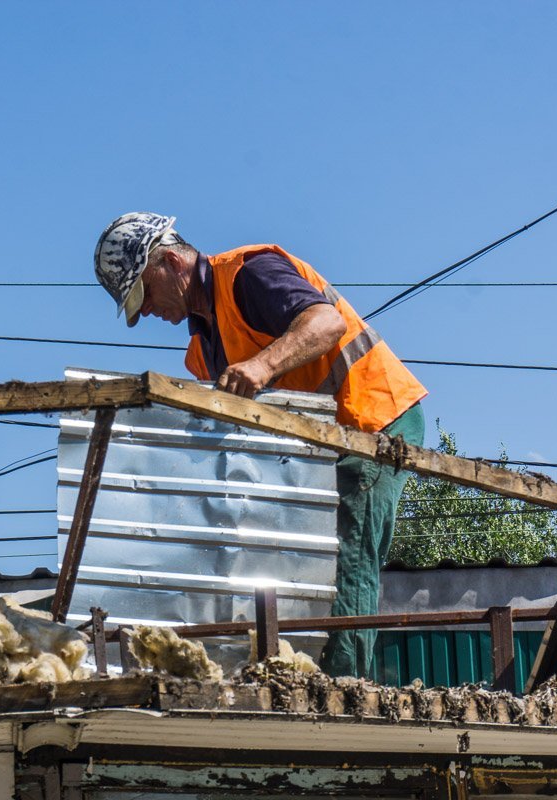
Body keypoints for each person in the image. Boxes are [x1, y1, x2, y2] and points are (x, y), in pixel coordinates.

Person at [93, 211, 427, 678]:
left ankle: (344, 682)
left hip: (371, 419)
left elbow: (326, 323)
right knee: (293, 553)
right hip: (315, 449)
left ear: (170, 261)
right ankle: (298, 668)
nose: (144, 310)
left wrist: (262, 365)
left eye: (143, 293)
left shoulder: (248, 273)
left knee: (345, 552)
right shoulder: (201, 350)